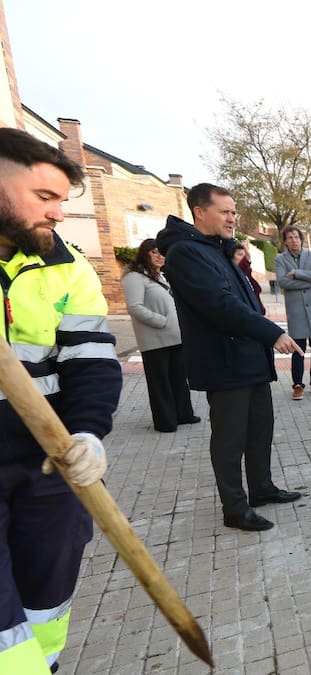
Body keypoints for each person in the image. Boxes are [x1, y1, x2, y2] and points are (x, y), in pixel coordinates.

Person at [0, 128, 121, 673]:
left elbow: (91, 360)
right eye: (43, 198)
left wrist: (89, 431)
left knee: (46, 596)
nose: (56, 214)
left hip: (47, 463)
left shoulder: (66, 266)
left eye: (61, 201)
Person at [156, 183, 303, 532]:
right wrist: (273, 333)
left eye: (234, 212)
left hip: (248, 358)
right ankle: (235, 509)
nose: (232, 218)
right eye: (225, 211)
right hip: (224, 361)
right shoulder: (186, 253)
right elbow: (221, 307)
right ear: (199, 212)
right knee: (229, 438)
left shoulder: (217, 249)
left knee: (259, 429)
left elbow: (244, 297)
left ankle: (262, 488)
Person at [121, 239, 201, 432]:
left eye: (162, 253)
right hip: (154, 340)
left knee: (179, 379)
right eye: (154, 252)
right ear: (145, 253)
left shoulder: (161, 276)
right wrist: (161, 321)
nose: (159, 257)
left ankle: (183, 414)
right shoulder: (134, 277)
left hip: (174, 336)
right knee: (160, 383)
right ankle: (165, 421)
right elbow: (134, 307)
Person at [274, 226, 311, 401]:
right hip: (296, 311)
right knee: (298, 350)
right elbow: (283, 281)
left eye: (296, 237)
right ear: (285, 241)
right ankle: (297, 384)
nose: (294, 240)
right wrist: (308, 281)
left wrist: (297, 274)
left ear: (301, 239)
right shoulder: (280, 260)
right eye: (290, 237)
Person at [231, 243, 265, 315]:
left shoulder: (247, 273)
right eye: (240, 255)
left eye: (244, 255)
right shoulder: (232, 274)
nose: (243, 258)